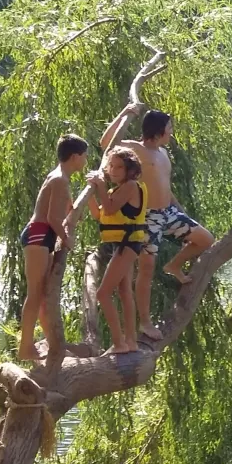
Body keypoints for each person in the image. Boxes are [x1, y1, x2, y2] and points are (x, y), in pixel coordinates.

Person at [100, 107, 214, 340]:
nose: (172, 132)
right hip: (147, 216)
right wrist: (124, 114)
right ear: (159, 130)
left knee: (205, 239)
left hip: (169, 211)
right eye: (169, 128)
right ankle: (145, 323)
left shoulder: (163, 153)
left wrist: (179, 209)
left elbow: (165, 184)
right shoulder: (135, 148)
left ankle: (173, 266)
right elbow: (105, 143)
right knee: (146, 269)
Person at [17, 134, 89, 360]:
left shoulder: (60, 178)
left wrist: (76, 210)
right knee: (35, 294)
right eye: (85, 156)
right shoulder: (59, 179)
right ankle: (26, 347)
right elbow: (52, 218)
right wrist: (67, 239)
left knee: (43, 294)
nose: (86, 160)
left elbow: (65, 207)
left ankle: (52, 342)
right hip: (39, 235)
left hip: (42, 237)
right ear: (75, 157)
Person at [86, 147, 147, 354]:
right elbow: (99, 214)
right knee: (123, 291)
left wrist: (101, 185)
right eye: (110, 165)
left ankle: (119, 343)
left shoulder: (131, 186)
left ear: (130, 169)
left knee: (103, 293)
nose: (113, 170)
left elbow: (111, 208)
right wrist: (91, 193)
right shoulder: (113, 191)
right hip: (120, 244)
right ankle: (130, 342)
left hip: (128, 243)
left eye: (119, 166)